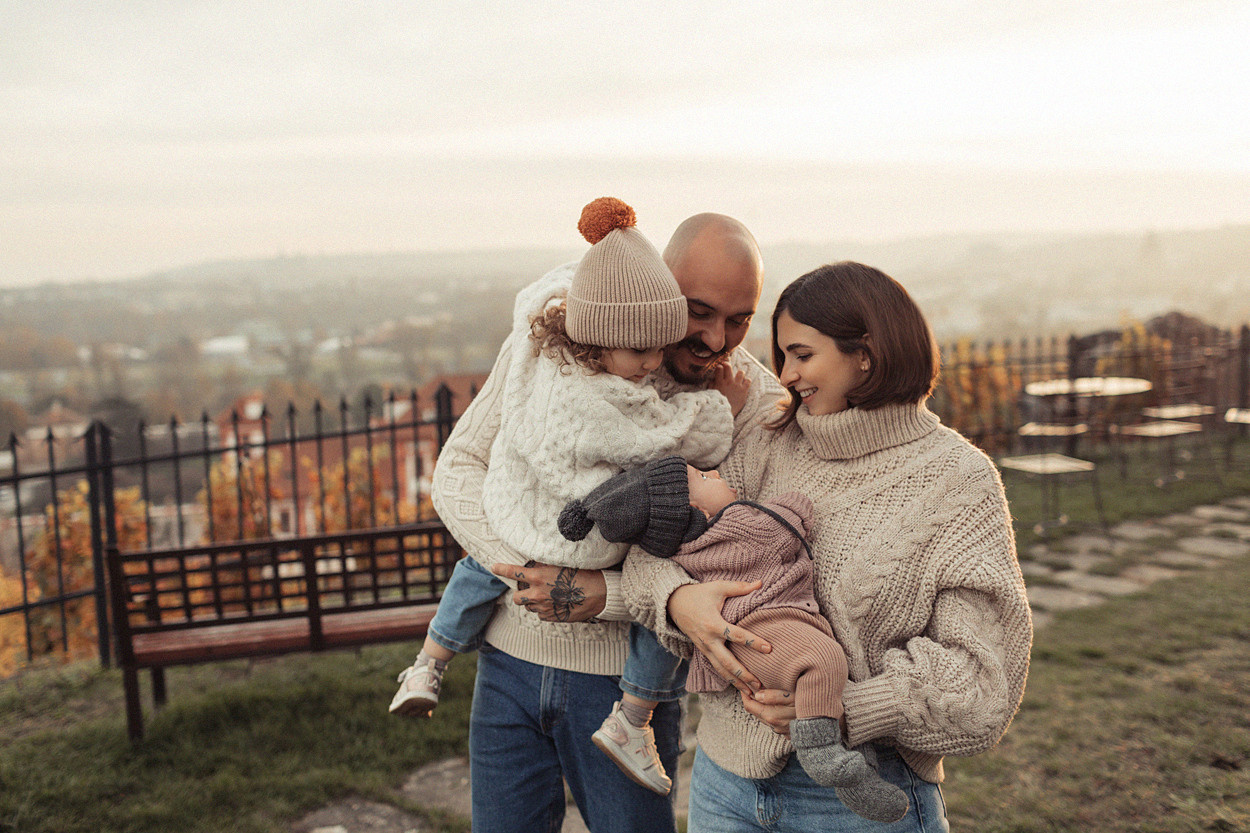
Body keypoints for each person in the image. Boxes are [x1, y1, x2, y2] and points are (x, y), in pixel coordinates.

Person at [619, 261, 1033, 832]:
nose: (785, 375)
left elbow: (982, 684)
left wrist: (843, 709)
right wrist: (679, 603)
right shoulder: (767, 442)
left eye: (802, 355)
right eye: (782, 356)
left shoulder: (958, 480)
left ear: (866, 352)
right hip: (724, 784)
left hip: (861, 798)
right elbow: (650, 552)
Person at [427, 201, 785, 833]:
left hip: (626, 688)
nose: (715, 340)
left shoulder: (747, 402)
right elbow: (458, 468)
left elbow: (730, 554)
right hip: (507, 661)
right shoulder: (556, 341)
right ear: (658, 282)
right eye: (698, 311)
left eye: (739, 320)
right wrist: (527, 568)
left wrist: (599, 592)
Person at [559, 454, 909, 823]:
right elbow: (787, 525)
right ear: (698, 510)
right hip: (768, 633)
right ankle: (821, 752)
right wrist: (794, 505)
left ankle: (856, 768)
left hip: (741, 645)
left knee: (825, 681)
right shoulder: (740, 525)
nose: (715, 473)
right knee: (824, 662)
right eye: (703, 477)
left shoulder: (686, 548)